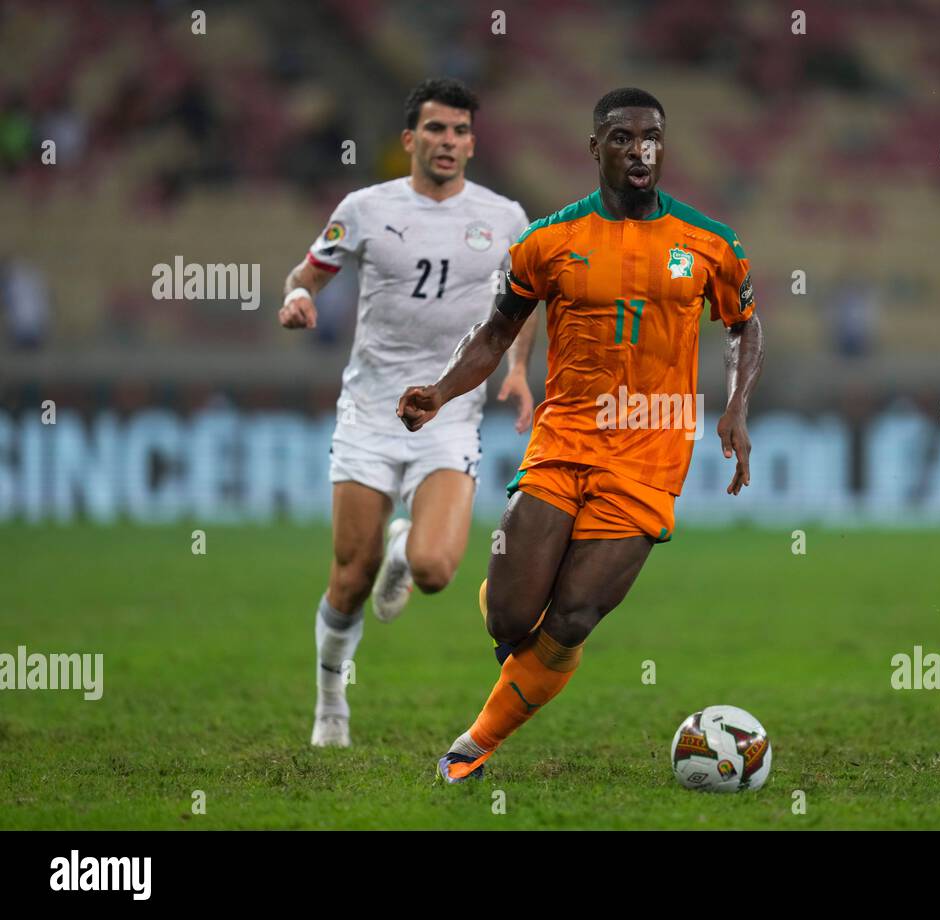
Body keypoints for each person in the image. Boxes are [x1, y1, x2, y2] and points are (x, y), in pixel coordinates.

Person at [397, 87, 765, 782]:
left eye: (652, 137)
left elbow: (746, 325)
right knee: (510, 618)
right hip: (564, 441)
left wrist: (737, 407)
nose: (640, 150)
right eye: (623, 138)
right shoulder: (548, 241)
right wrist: (440, 391)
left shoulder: (710, 244)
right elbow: (498, 330)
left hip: (651, 454)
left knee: (572, 617)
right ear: (596, 149)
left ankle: (471, 748)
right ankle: (514, 630)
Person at [278, 78, 540, 748]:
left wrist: (515, 369)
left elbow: (525, 302)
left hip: (448, 413)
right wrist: (298, 299)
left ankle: (405, 545)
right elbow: (307, 273)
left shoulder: (506, 218)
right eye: (434, 130)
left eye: (458, 131)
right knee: (348, 577)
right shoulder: (365, 208)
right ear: (410, 140)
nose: (447, 142)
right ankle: (331, 697)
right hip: (369, 414)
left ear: (472, 143)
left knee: (433, 571)